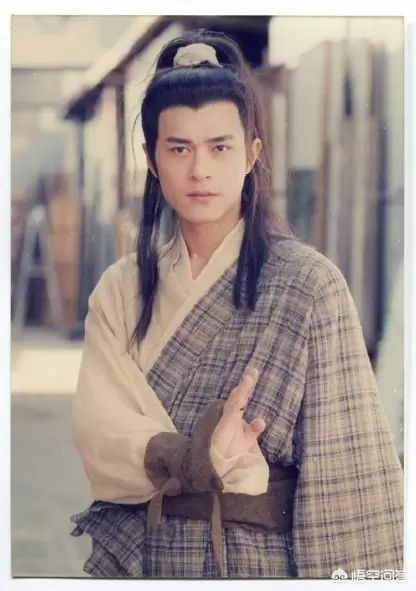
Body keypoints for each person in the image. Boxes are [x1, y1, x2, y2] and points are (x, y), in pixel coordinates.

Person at [70, 30, 403, 579]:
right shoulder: (119, 289)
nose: (200, 169)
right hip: (143, 559)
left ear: (252, 155)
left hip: (254, 567)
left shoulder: (309, 285)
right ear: (151, 159)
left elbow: (346, 482)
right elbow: (100, 438)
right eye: (179, 148)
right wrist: (199, 457)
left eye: (220, 147)